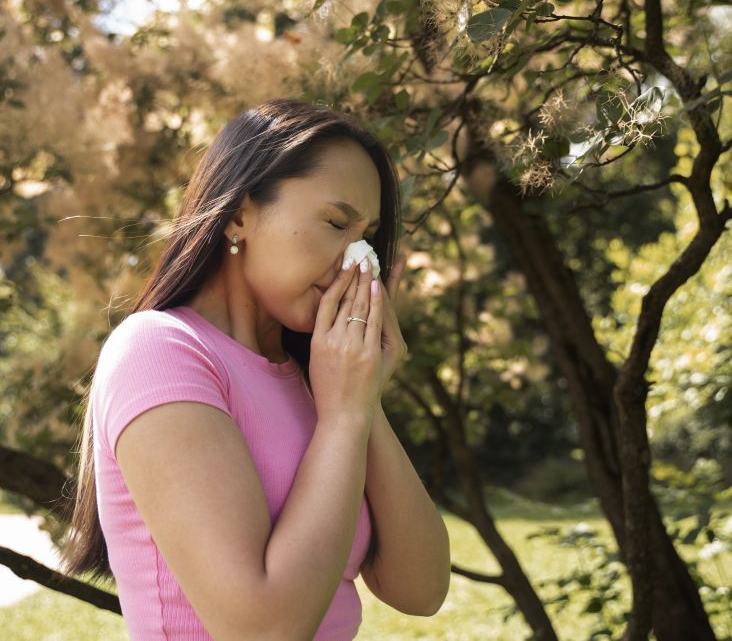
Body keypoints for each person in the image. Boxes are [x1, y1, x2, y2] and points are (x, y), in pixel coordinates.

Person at [59, 98, 451, 640]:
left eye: (367, 236)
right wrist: (340, 418)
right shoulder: (160, 351)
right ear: (240, 212)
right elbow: (262, 629)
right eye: (337, 222)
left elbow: (421, 588)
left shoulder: (318, 380)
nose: (359, 259)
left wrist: (362, 401)